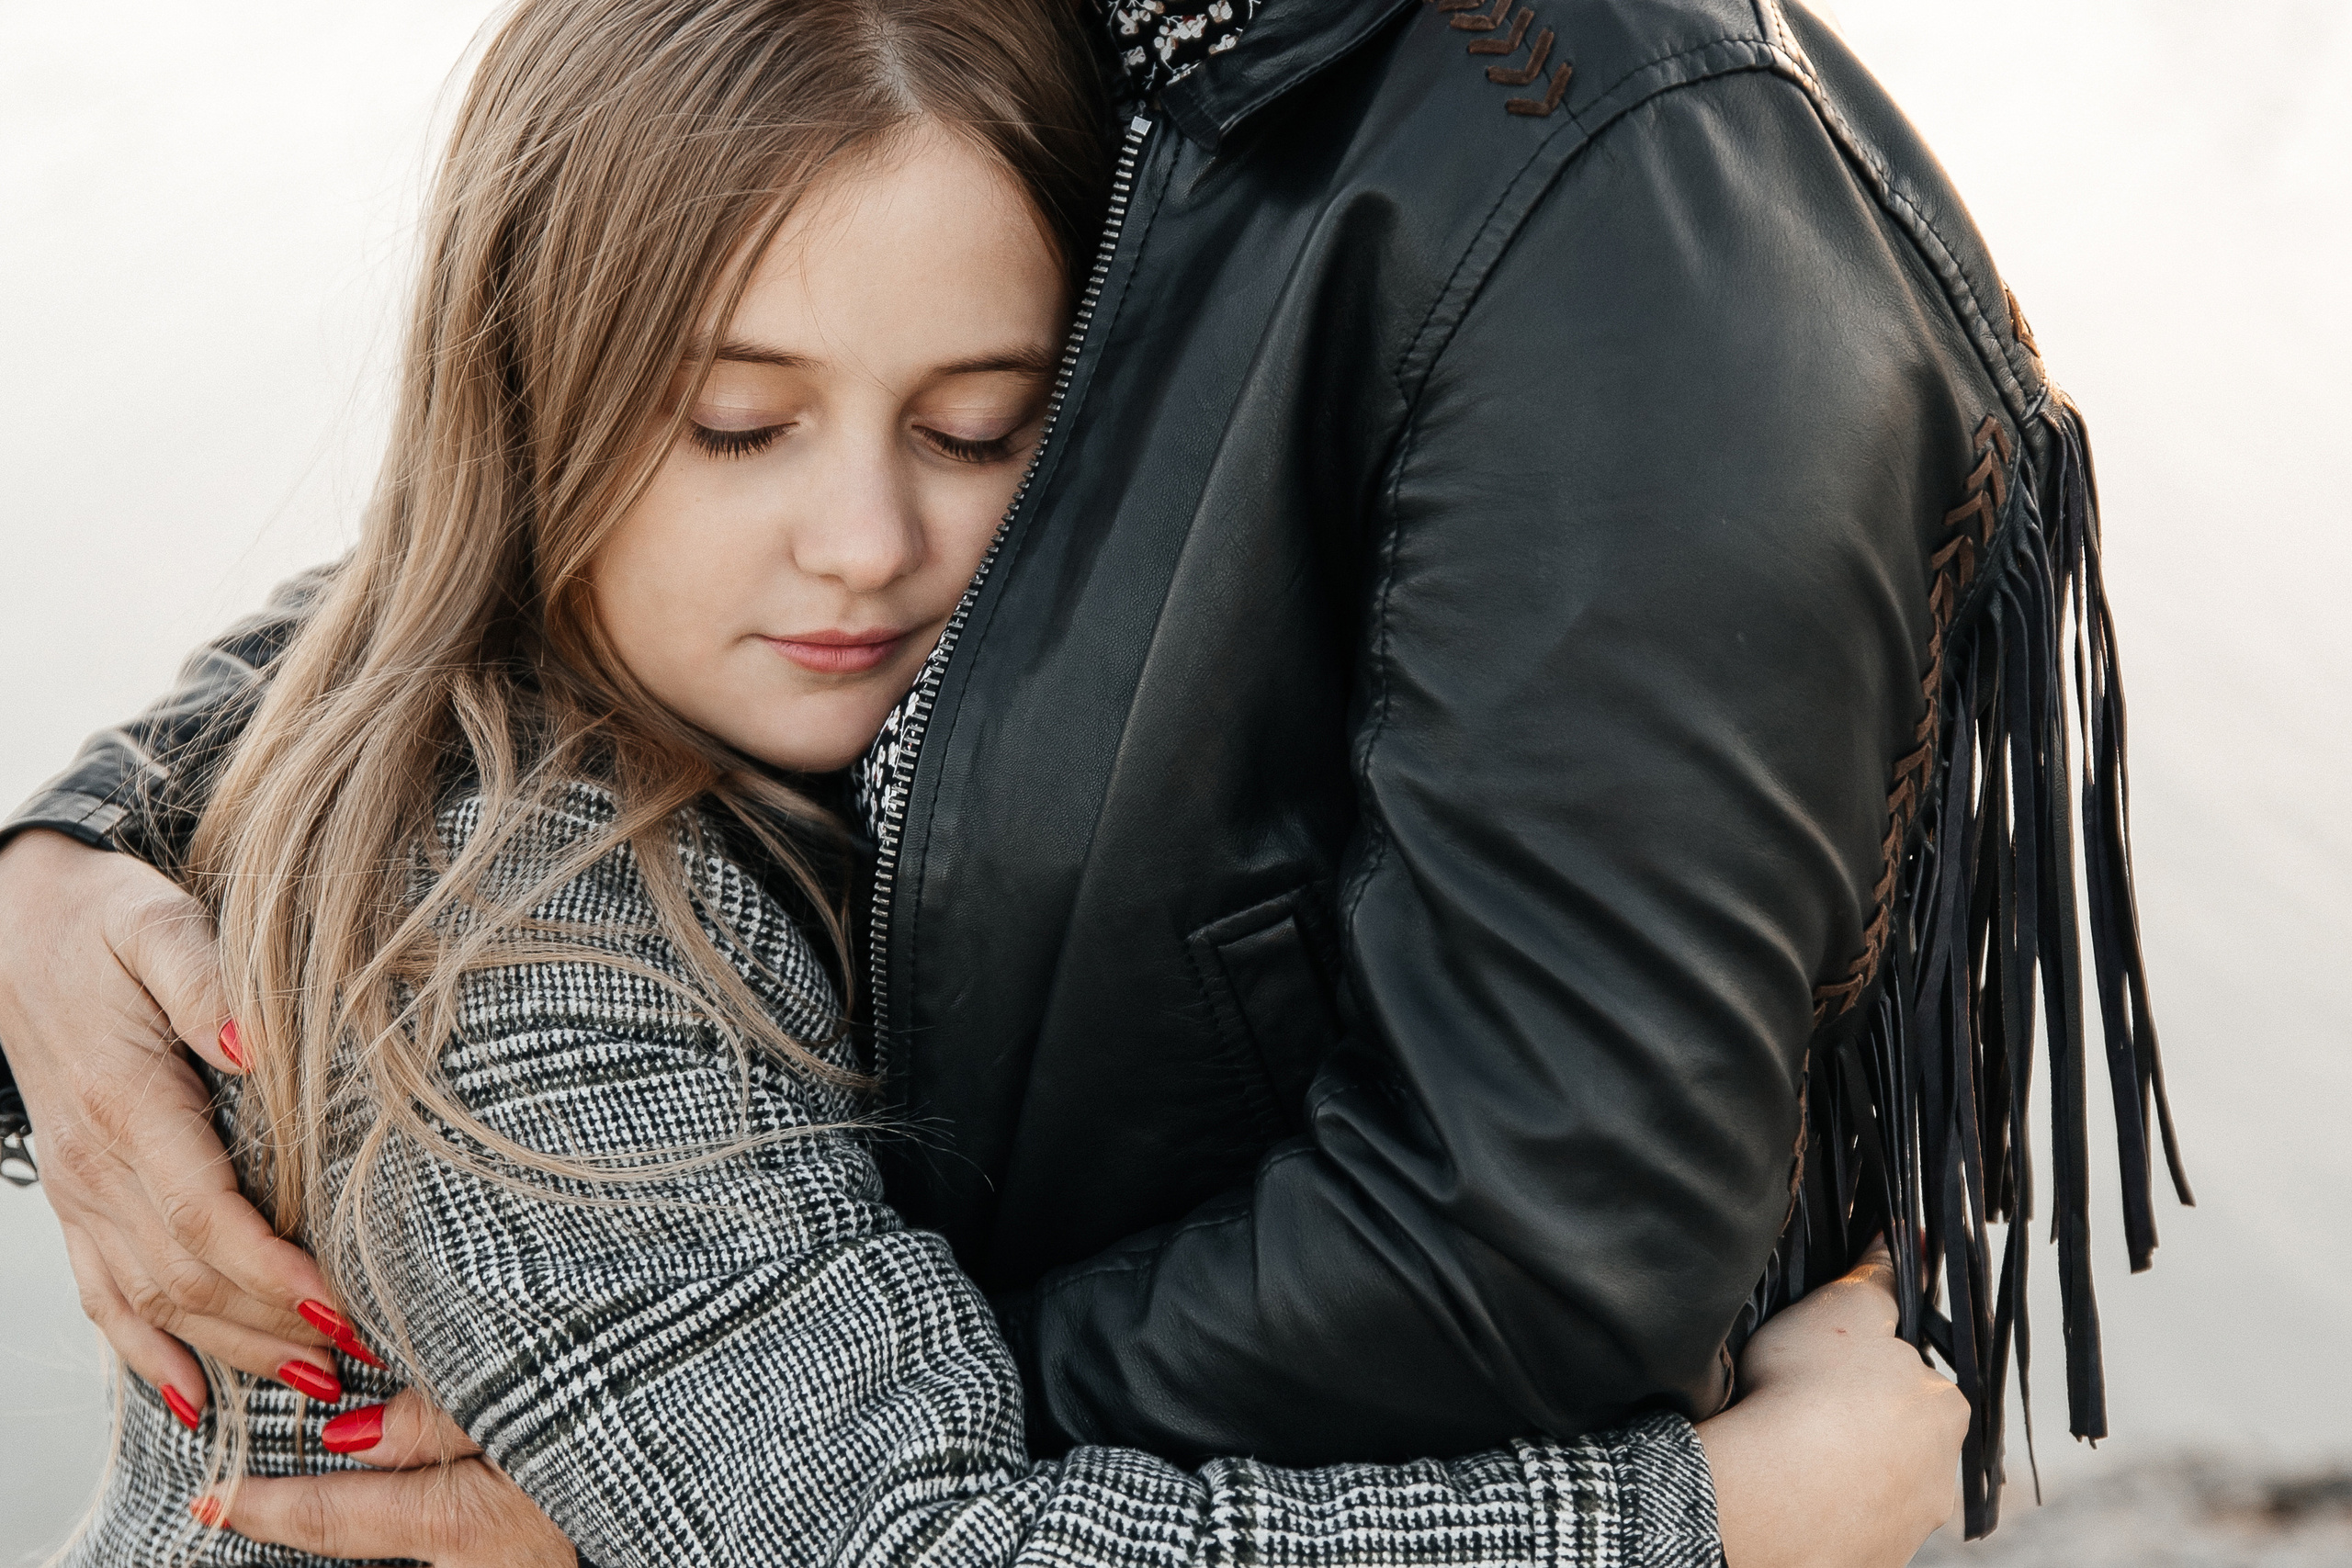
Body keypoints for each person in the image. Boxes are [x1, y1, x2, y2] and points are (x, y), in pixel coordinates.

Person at [0, 0, 2183, 1556]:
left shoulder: (1564, 165)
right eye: (740, 426)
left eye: (980, 431)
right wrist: (1711, 1520)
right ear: (524, 390)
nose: (865, 540)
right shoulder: (515, 933)